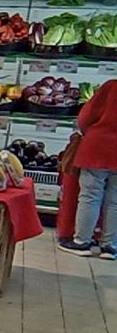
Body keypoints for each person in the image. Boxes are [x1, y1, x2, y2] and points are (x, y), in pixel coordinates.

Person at [59, 79, 117, 256]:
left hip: (98, 146)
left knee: (90, 195)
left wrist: (86, 130)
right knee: (115, 200)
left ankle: (82, 241)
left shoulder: (111, 86)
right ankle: (109, 246)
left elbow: (86, 116)